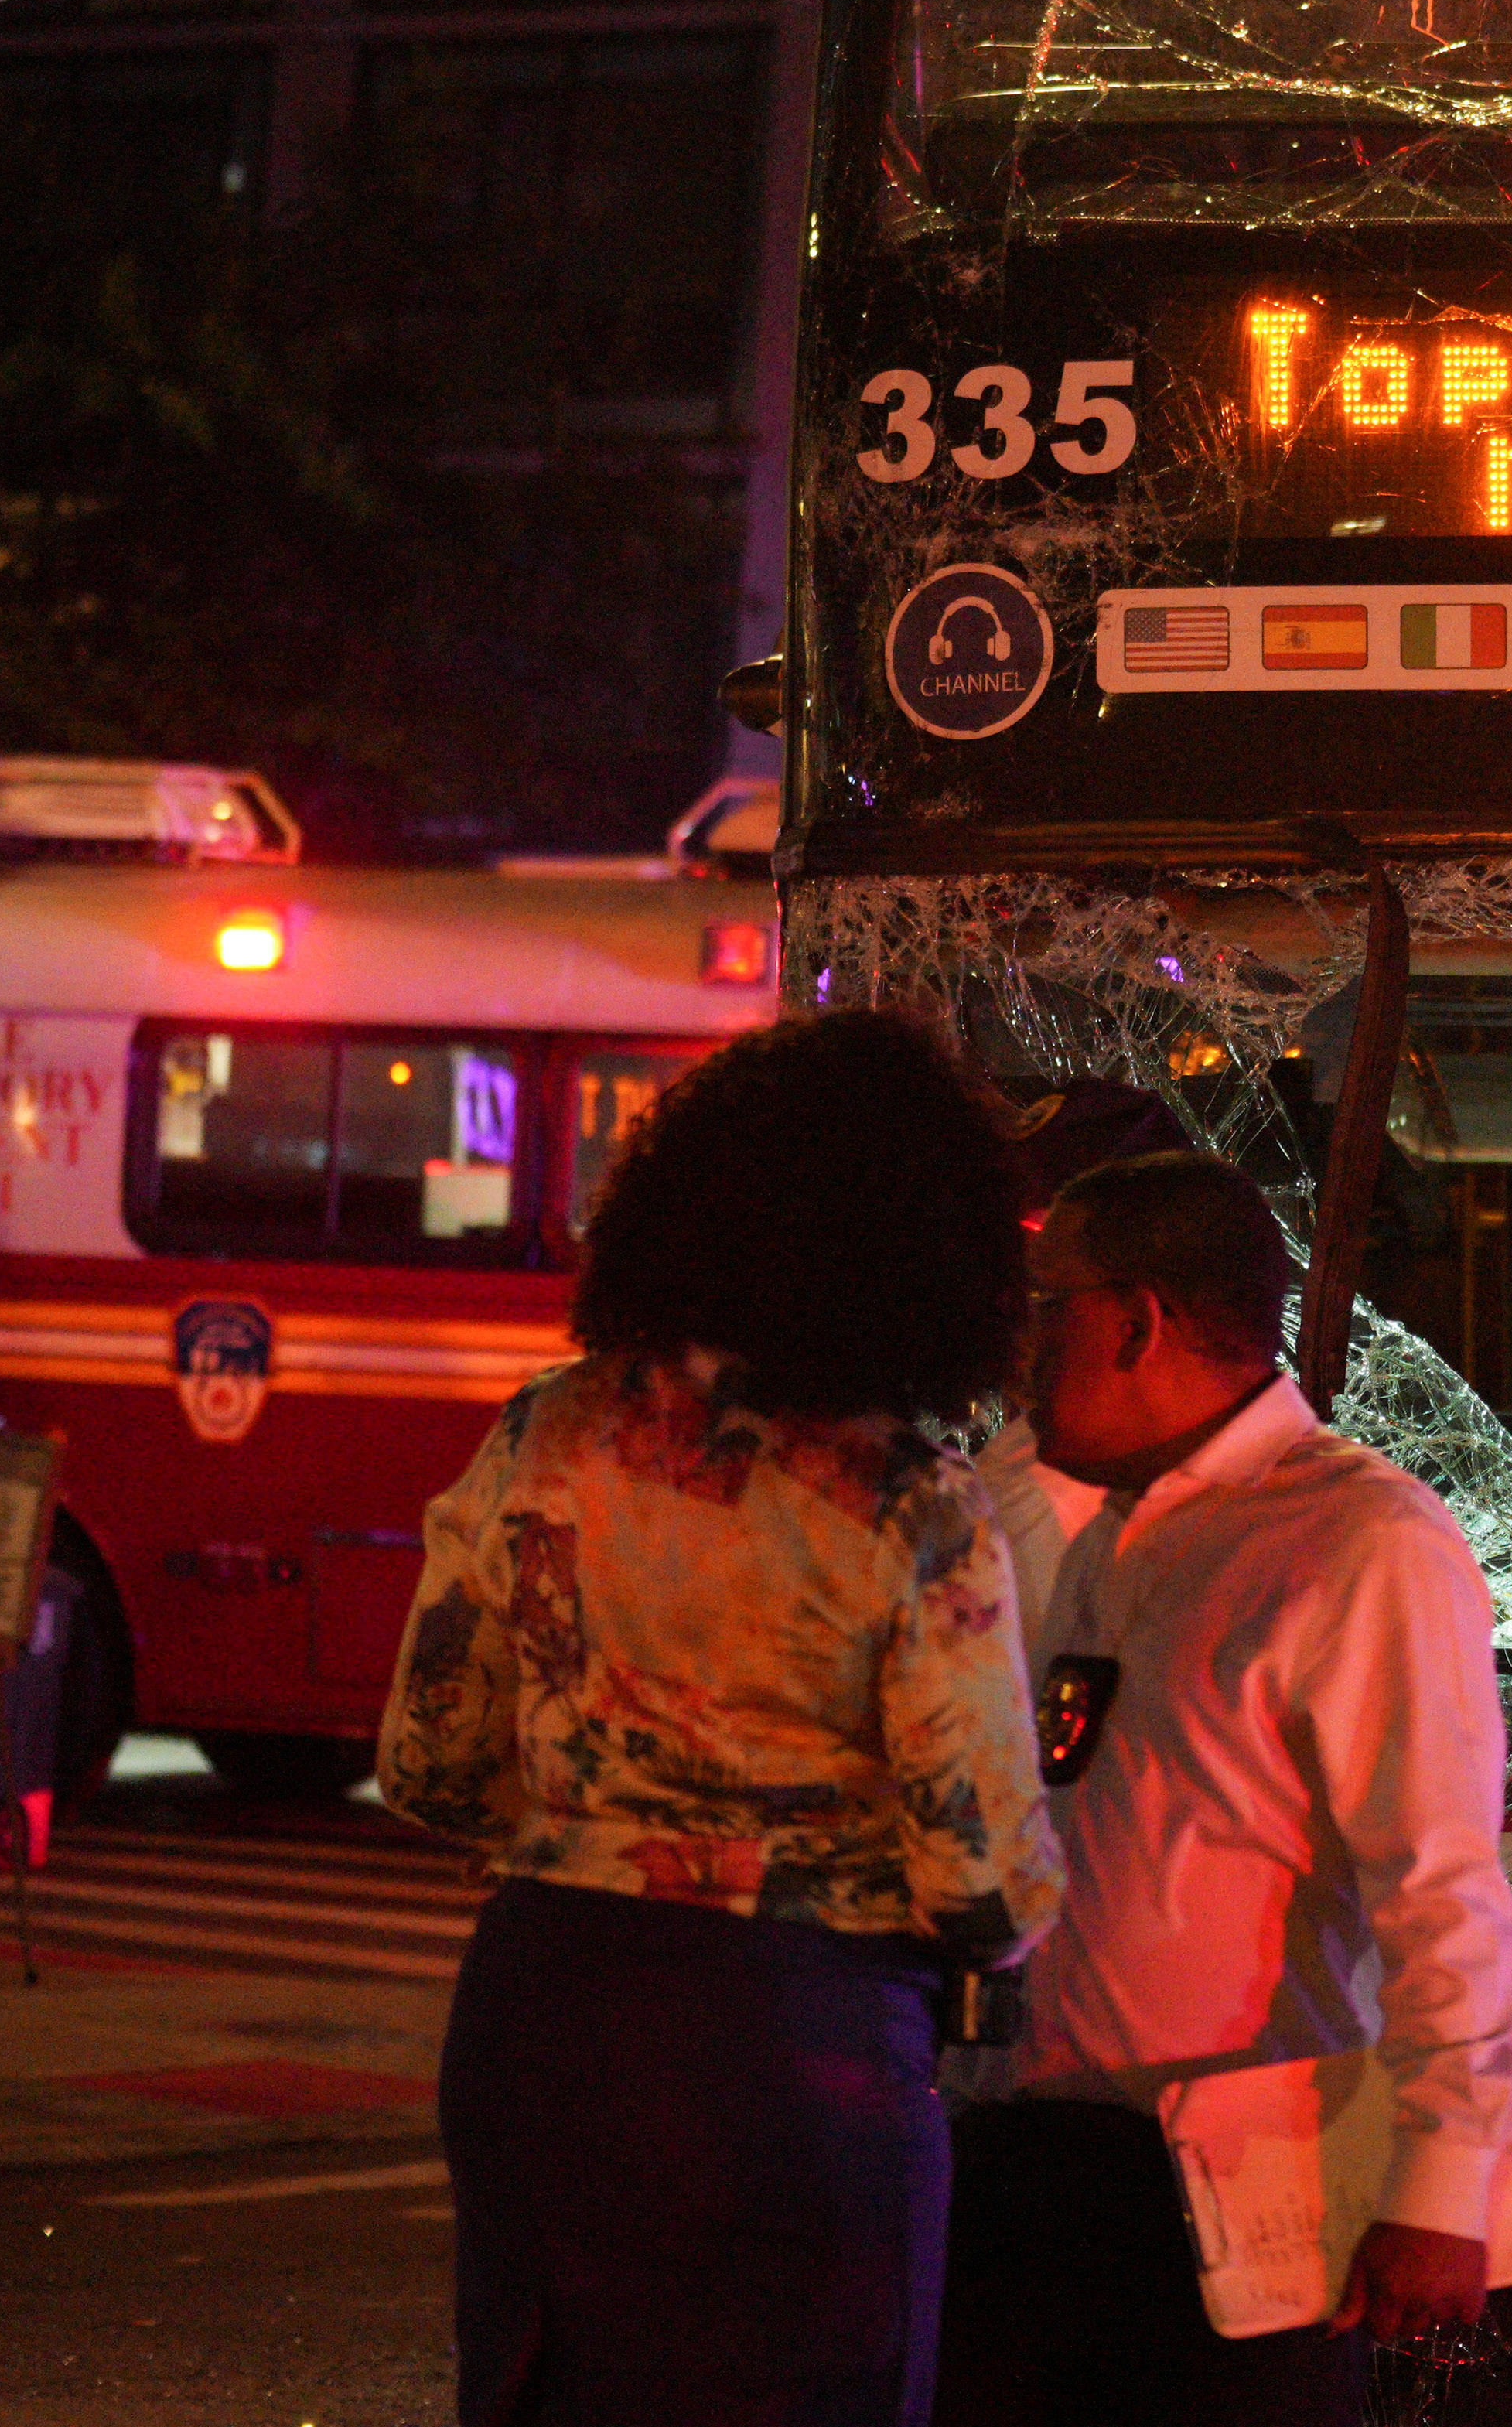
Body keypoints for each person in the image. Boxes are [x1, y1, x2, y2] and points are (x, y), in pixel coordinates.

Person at [379, 1010, 1064, 2427]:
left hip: (544, 2010)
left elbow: (428, 1760)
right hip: (790, 2050)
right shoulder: (911, 1501)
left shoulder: (542, 1434)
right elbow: (983, 1884)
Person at [939, 1151, 1512, 2427]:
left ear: (1136, 1318)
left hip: (1237, 2187)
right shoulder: (1104, 1520)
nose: (1017, 1346)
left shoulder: (1357, 1537)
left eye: (1044, 1305)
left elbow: (1441, 1885)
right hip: (1027, 2161)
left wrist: (1442, 2181)